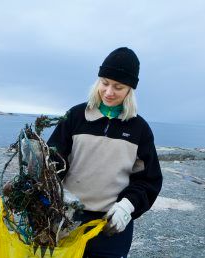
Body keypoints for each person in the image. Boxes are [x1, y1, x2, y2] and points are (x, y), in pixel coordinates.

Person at [47, 47, 163, 258]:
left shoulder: (140, 129)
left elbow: (148, 180)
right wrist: (58, 196)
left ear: (130, 90)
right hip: (67, 218)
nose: (109, 92)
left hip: (111, 225)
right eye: (105, 83)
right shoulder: (75, 116)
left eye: (118, 87)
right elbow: (51, 162)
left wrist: (127, 207)